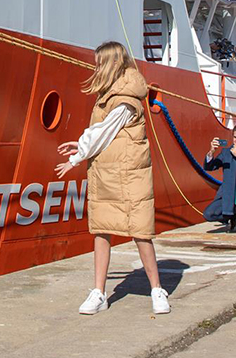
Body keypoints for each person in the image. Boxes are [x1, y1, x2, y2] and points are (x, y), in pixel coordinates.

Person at [55, 41, 170, 315]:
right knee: (102, 229)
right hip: (108, 172)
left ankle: (157, 289)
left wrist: (76, 156)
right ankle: (99, 292)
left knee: (141, 232)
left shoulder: (125, 99)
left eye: (99, 63)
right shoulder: (113, 94)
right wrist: (81, 145)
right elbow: (105, 133)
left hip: (129, 174)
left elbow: (103, 131)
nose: (96, 68)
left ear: (111, 64)